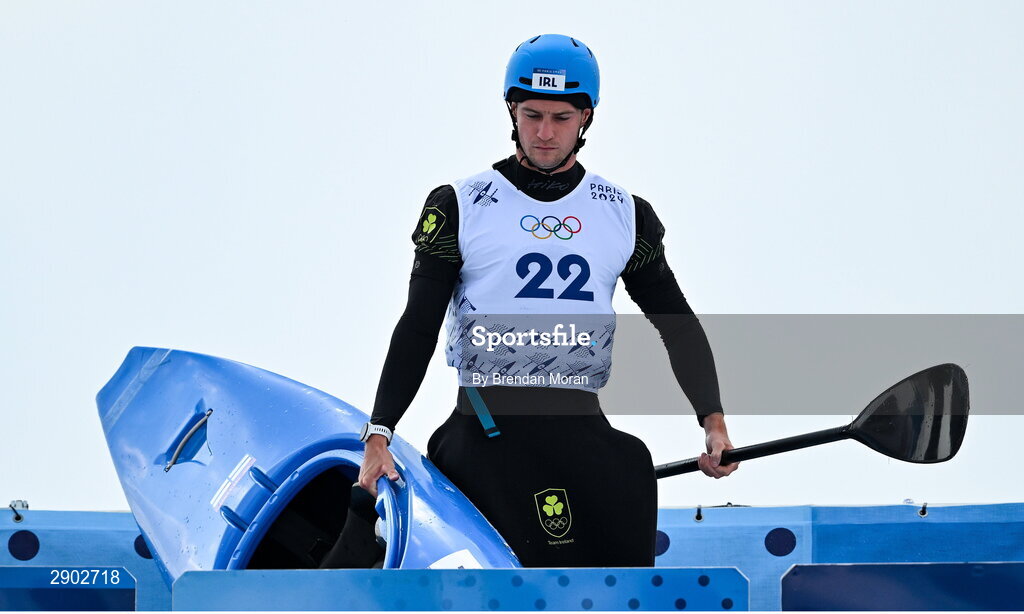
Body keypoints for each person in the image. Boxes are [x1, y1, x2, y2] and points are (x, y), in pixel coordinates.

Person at [357, 33, 738, 567]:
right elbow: (418, 325)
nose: (543, 132)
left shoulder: (624, 213)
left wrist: (712, 422)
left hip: (582, 432)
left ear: (586, 119)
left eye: (561, 118)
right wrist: (380, 430)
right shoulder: (460, 204)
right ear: (511, 110)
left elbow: (676, 322)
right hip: (482, 435)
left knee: (629, 469)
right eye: (532, 114)